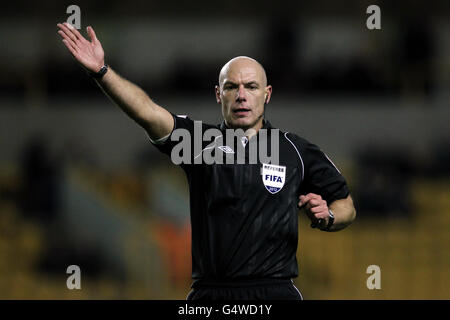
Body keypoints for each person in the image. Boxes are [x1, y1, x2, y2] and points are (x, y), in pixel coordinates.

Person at [57, 22, 356, 300]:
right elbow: (147, 112)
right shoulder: (198, 143)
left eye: (251, 87)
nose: (241, 95)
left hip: (275, 292)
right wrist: (102, 71)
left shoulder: (296, 151)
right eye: (231, 87)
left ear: (267, 95)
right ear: (218, 94)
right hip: (211, 295)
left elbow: (345, 205)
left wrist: (328, 217)